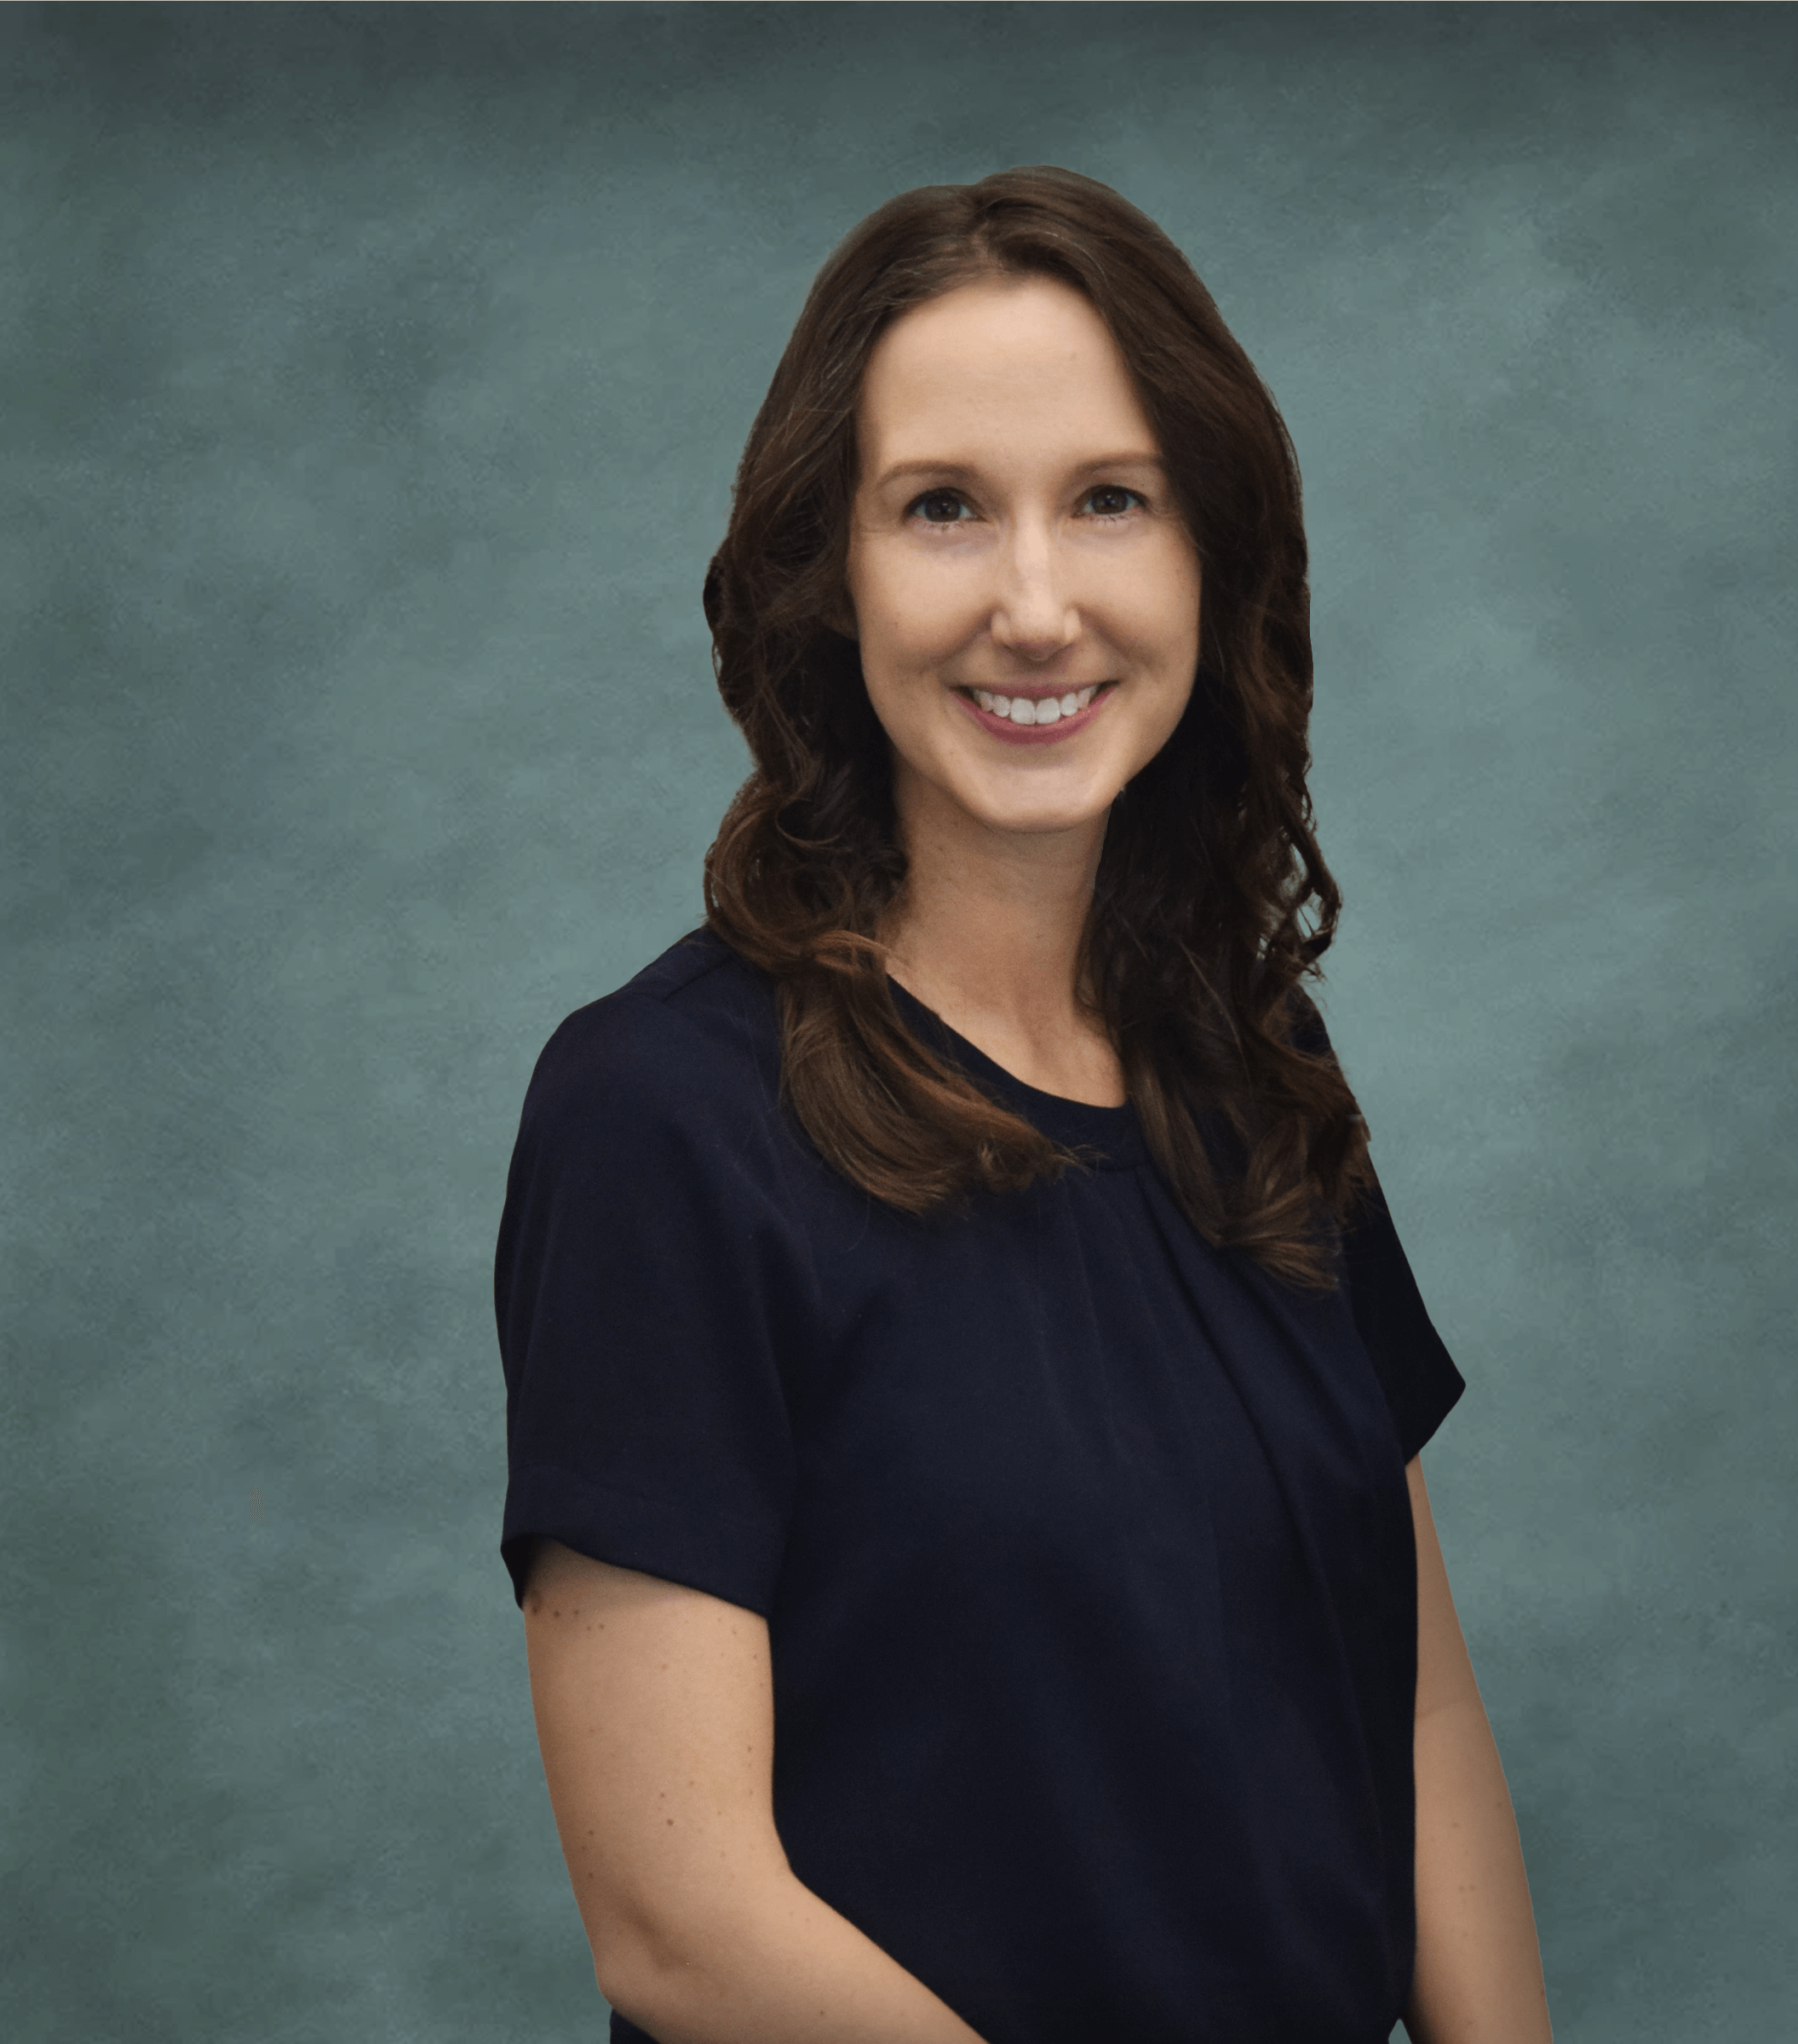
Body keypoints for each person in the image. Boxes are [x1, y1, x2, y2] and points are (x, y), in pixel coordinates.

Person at [497, 165, 1552, 2044]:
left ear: (1210, 557)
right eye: (944, 511)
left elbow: (1414, 1699)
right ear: (834, 576)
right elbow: (680, 1921)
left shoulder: (1251, 1062)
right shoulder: (662, 1116)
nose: (1038, 605)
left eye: (1111, 502)